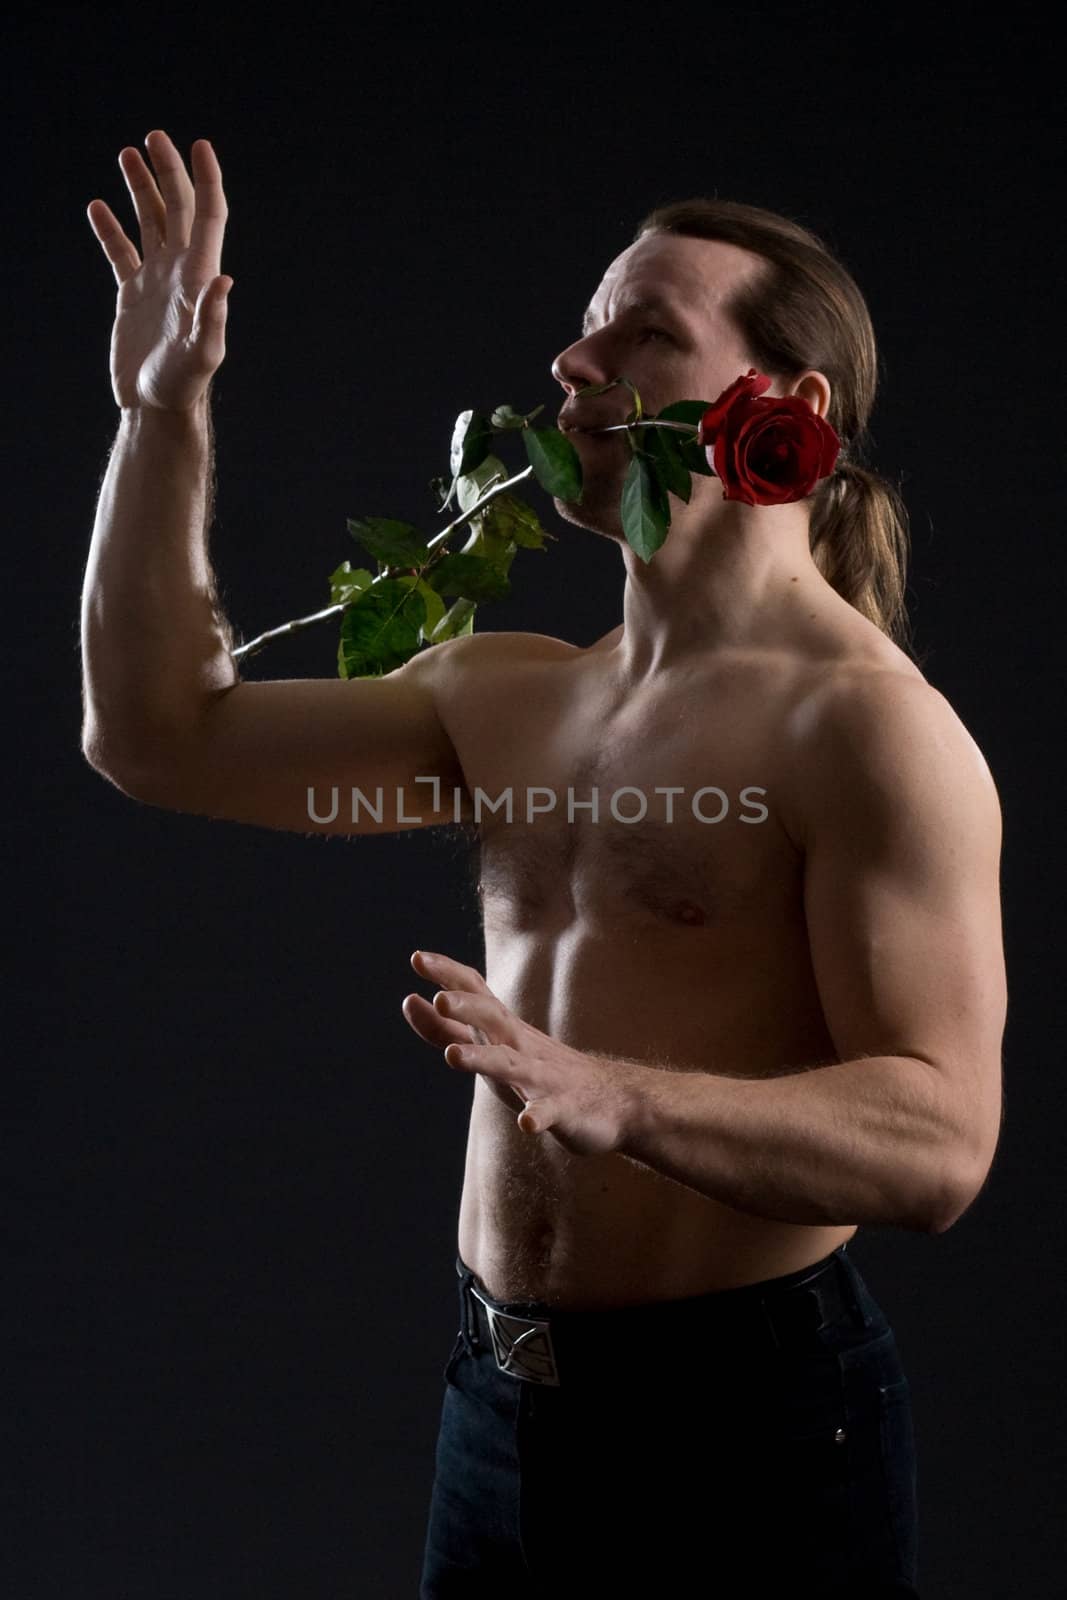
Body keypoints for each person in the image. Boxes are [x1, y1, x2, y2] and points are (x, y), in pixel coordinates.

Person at [81, 132, 1006, 1596]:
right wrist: (163, 410)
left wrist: (617, 1094)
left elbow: (944, 1140)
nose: (576, 363)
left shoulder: (870, 732)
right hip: (499, 1409)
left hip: (746, 1430)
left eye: (647, 332)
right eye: (586, 325)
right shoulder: (509, 694)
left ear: (784, 406)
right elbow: (156, 735)